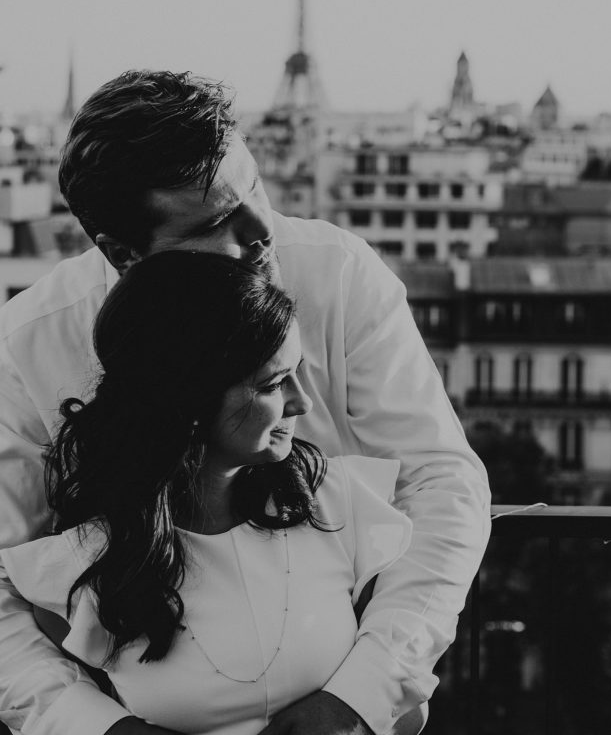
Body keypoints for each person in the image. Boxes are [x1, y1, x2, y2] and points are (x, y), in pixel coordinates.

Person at [0, 69, 490, 735]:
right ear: (121, 253)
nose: (262, 230)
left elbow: (440, 484)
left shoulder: (337, 274)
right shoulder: (28, 346)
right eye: (216, 222)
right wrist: (88, 725)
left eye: (254, 188)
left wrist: (362, 692)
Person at [2, 251, 420, 735]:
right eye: (274, 384)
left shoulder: (338, 505)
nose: (301, 402)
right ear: (189, 403)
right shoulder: (85, 567)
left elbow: (409, 709)